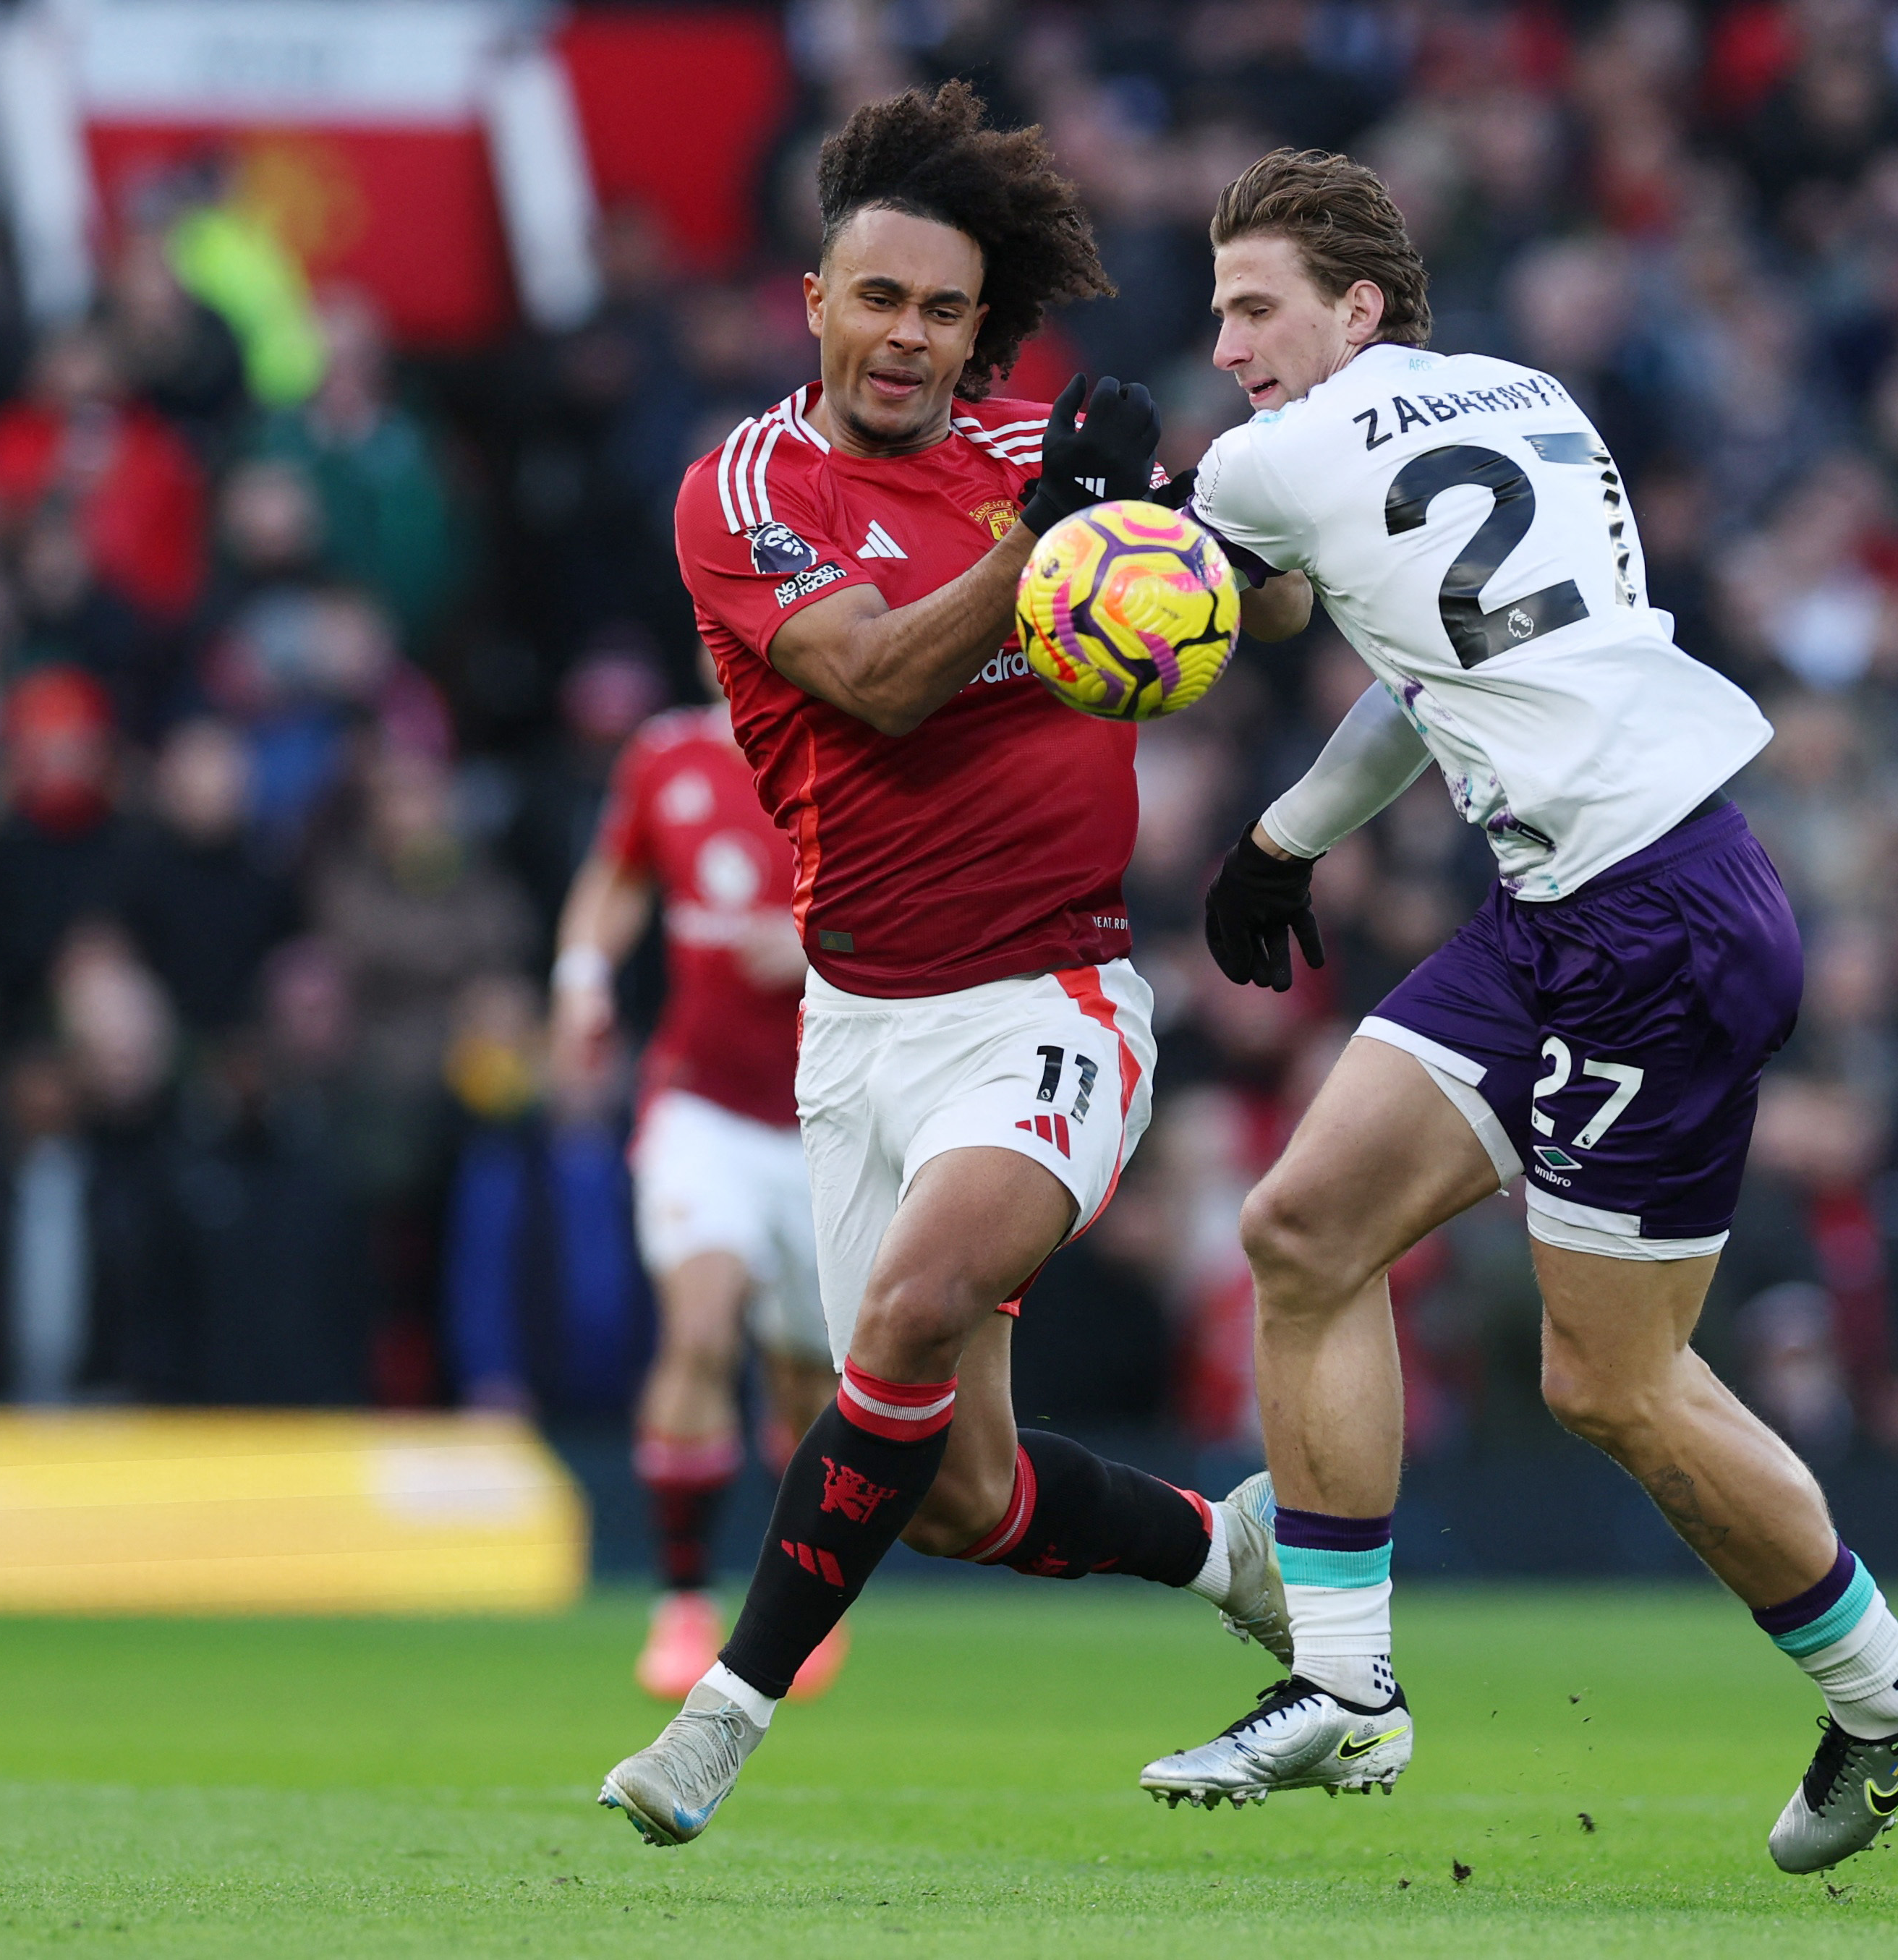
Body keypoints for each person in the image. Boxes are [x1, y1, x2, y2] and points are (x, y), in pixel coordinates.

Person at [1138, 150, 1898, 1875]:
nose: (1227, 344)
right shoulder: (1528, 393)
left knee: (1610, 1382)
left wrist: (1082, 509)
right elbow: (1424, 667)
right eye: (1219, 313)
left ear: (1358, 307)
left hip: (1649, 922)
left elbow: (1161, 590)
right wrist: (1285, 837)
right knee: (1305, 1229)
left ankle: (1894, 1686)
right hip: (1578, 896)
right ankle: (1346, 1684)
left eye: (1254, 308)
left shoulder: (1266, 454)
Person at [597, 82, 1289, 1849]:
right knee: (960, 1487)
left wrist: (1210, 519)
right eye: (880, 298)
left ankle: (723, 1711)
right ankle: (1232, 1551)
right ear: (815, 301)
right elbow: (884, 678)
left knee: (899, 1320)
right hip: (860, 1026)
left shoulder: (1029, 463)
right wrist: (1048, 541)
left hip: (1050, 999)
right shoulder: (745, 489)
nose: (908, 336)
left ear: (985, 330)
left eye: (945, 310)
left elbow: (1262, 600)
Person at [550, 694, 851, 1703]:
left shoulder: (859, 747)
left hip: (829, 1115)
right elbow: (618, 871)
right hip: (701, 1108)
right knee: (699, 1330)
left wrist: (815, 941)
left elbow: (936, 902)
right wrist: (583, 976)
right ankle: (680, 1603)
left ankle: (791, 1603)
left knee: (805, 1383)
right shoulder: (665, 756)